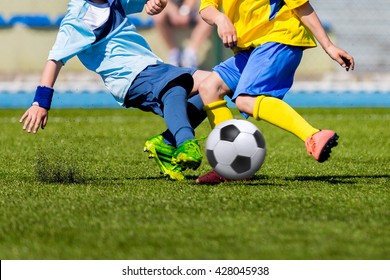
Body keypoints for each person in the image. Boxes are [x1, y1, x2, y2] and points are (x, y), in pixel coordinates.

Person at [19, 0, 211, 181]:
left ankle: (166, 144)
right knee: (173, 88)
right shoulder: (78, 18)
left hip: (153, 67)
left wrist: (158, 3)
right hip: (128, 77)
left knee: (212, 85)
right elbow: (55, 59)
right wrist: (40, 103)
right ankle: (186, 142)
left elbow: (149, 3)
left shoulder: (114, 1)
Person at [195, 0, 355, 183]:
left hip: (279, 37)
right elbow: (206, 9)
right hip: (250, 49)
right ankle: (230, 168)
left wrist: (329, 46)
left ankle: (313, 135)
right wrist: (220, 18)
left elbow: (301, 6)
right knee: (209, 88)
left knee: (245, 100)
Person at [153, 0, 213, 68]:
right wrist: (173, 13)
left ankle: (190, 54)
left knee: (208, 17)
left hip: (187, 9)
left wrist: (184, 12)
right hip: (167, 8)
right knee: (158, 17)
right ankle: (174, 54)